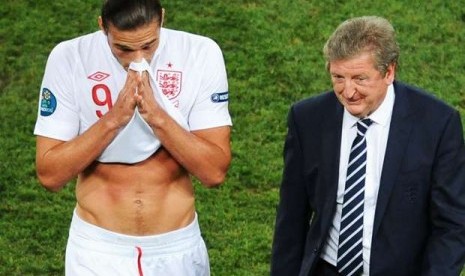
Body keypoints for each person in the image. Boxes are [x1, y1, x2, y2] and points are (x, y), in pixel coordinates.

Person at [34, 0, 231, 275]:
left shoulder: (200, 54)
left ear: (162, 19)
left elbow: (214, 172)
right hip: (97, 251)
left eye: (149, 45)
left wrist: (158, 117)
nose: (137, 58)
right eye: (123, 48)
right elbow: (50, 175)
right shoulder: (70, 57)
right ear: (103, 27)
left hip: (175, 248)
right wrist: (114, 120)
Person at [271, 16, 465, 276]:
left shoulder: (437, 124)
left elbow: (452, 225)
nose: (348, 92)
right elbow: (291, 219)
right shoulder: (307, 119)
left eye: (360, 79)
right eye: (338, 77)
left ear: (389, 72)